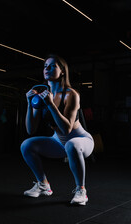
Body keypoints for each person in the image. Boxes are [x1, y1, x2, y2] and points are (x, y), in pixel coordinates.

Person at [20, 54, 94, 205]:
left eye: (53, 65)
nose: (47, 68)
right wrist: (29, 103)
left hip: (82, 141)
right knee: (26, 144)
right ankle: (43, 185)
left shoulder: (71, 94)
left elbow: (67, 129)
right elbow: (30, 129)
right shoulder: (42, 97)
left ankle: (81, 190)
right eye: (45, 65)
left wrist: (51, 105)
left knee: (71, 144)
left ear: (62, 72)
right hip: (59, 142)